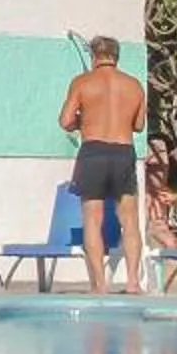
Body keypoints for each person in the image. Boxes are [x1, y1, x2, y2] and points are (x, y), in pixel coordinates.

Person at [58, 36, 148, 295]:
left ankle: (99, 286)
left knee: (92, 220)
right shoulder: (134, 85)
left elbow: (65, 121)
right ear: (116, 56)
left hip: (94, 150)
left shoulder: (82, 82)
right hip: (123, 151)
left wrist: (84, 122)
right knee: (129, 220)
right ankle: (132, 282)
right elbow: (139, 125)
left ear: (94, 56)